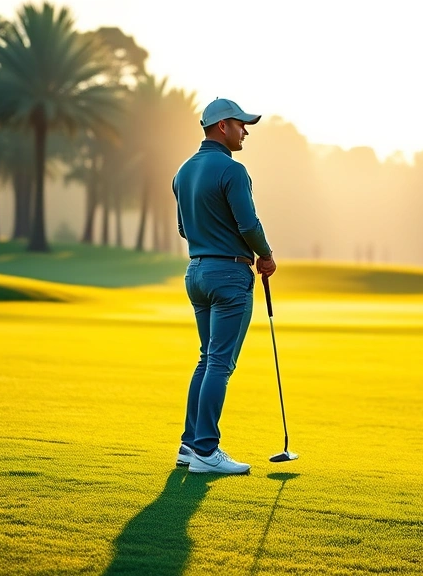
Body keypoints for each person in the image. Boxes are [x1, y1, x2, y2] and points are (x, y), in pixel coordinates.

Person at [171, 98, 276, 475]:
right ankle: (205, 450)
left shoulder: (182, 172)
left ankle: (189, 445)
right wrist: (265, 255)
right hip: (229, 275)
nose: (245, 130)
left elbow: (184, 229)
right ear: (221, 127)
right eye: (241, 124)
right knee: (219, 362)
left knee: (206, 358)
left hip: (196, 272)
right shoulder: (233, 171)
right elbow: (248, 225)